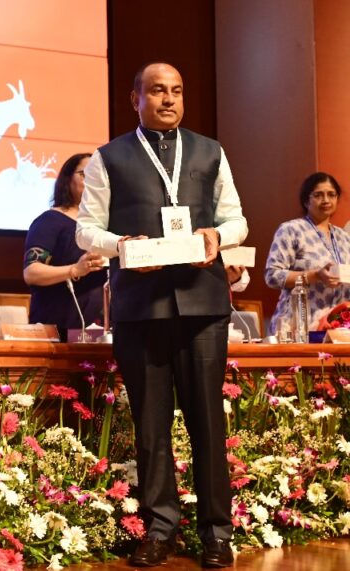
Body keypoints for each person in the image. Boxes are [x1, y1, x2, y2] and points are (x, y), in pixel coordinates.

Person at [76, 62, 247, 568]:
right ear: (136, 99)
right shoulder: (109, 157)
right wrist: (119, 244)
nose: (167, 99)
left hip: (203, 304)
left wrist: (220, 236)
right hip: (140, 305)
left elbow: (236, 216)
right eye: (156, 91)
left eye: (176, 90)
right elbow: (87, 230)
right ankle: (160, 527)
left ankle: (216, 532)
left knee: (207, 421)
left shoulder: (210, 150)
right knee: (151, 425)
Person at [23, 152, 107, 340]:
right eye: (85, 174)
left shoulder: (107, 226)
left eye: (98, 175)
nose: (92, 181)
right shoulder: (50, 221)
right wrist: (75, 269)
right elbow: (31, 272)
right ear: (67, 179)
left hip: (101, 330)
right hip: (59, 329)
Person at [264, 172, 350, 335]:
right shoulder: (291, 230)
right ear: (306, 200)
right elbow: (272, 276)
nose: (326, 200)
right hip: (299, 328)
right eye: (318, 195)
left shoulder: (344, 237)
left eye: (331, 195)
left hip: (337, 330)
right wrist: (315, 275)